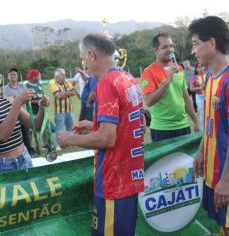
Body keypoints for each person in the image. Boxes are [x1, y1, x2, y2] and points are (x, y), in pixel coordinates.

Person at [57, 33, 144, 236]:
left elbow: (107, 138)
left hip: (114, 180)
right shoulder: (127, 78)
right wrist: (94, 124)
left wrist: (69, 138)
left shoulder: (106, 83)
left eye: (82, 57)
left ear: (91, 54)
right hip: (130, 177)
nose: (83, 63)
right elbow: (125, 126)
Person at [189, 16, 229, 236]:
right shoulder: (209, 77)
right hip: (213, 170)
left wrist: (226, 180)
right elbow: (211, 123)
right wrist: (200, 152)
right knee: (222, 225)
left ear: (212, 44)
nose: (193, 51)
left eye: (196, 44)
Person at [141, 33, 200, 142]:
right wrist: (167, 82)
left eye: (171, 46)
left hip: (183, 127)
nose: (170, 49)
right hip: (162, 130)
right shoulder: (149, 72)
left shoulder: (179, 69)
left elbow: (186, 98)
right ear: (156, 50)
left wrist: (195, 121)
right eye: (165, 47)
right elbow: (148, 101)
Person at [3, 68, 34, 155]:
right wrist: (21, 99)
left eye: (15, 74)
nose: (13, 76)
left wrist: (17, 100)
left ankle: (28, 152)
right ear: (8, 77)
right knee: (15, 136)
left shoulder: (22, 86)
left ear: (17, 76)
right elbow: (9, 101)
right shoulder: (5, 88)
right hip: (13, 116)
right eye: (11, 74)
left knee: (26, 135)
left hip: (24, 115)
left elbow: (28, 98)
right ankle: (17, 153)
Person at [50, 68, 75, 146]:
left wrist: (63, 93)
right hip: (59, 111)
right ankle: (58, 145)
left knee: (70, 128)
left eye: (64, 74)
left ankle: (71, 142)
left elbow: (73, 92)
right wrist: (68, 93)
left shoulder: (68, 83)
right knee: (59, 129)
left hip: (69, 109)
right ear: (57, 76)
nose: (64, 76)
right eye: (62, 74)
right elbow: (58, 96)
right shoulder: (53, 84)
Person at [190, 63, 206, 130]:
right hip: (199, 97)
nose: (201, 68)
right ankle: (203, 130)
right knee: (202, 113)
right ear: (196, 69)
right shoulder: (194, 77)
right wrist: (200, 88)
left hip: (209, 96)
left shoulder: (208, 75)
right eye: (199, 67)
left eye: (202, 66)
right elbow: (191, 88)